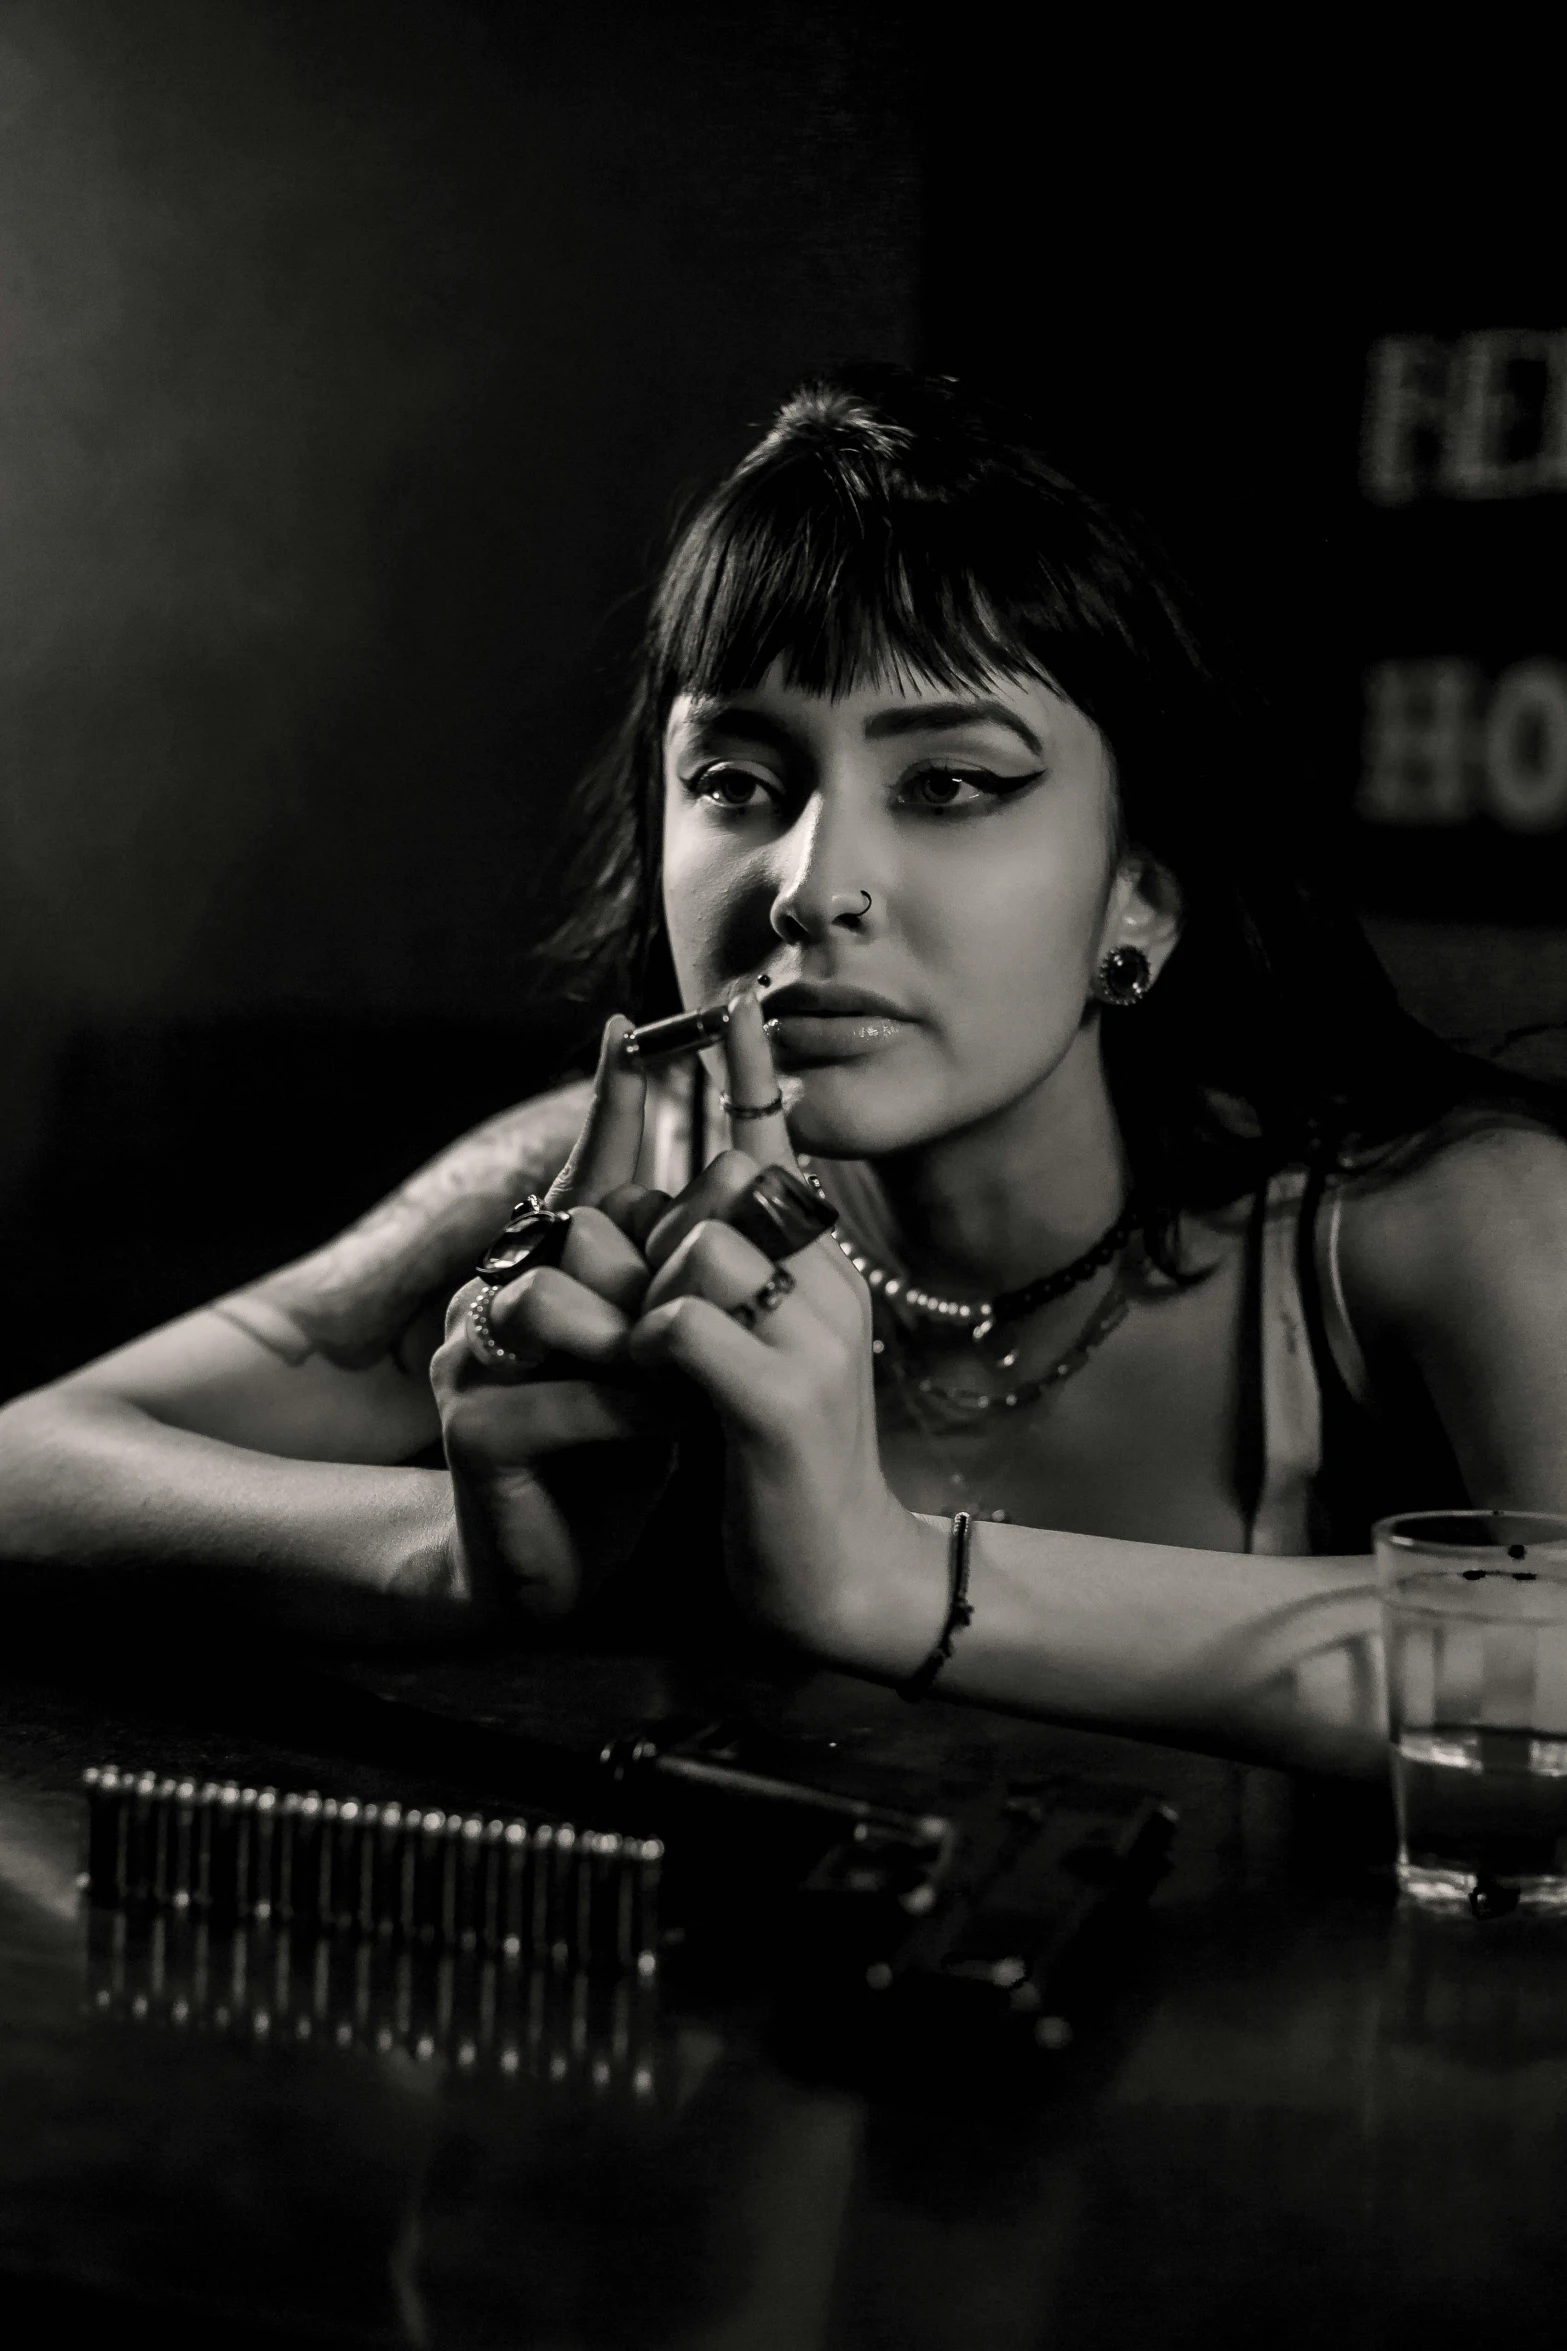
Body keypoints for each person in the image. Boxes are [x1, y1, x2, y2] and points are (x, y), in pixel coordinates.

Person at [3, 366, 1565, 1777]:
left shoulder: (1424, 1222)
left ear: (1138, 893)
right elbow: (28, 1464)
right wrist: (445, 1565)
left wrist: (887, 1580)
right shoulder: (605, 1188)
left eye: (949, 783)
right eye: (738, 781)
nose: (812, 886)